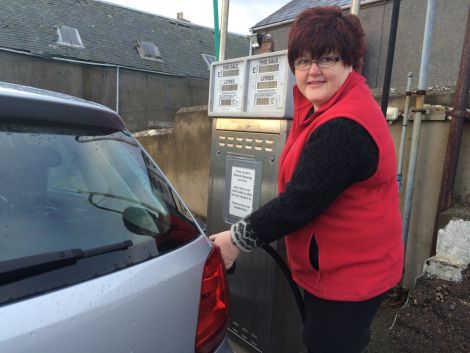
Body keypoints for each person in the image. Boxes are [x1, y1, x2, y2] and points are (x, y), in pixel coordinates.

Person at [209, 6, 404, 353]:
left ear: (349, 62)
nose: (312, 71)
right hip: (346, 267)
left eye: (326, 59)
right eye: (302, 60)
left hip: (349, 277)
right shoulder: (325, 108)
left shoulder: (343, 125)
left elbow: (301, 200)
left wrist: (235, 239)